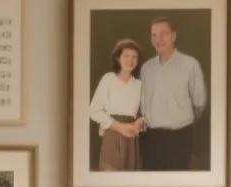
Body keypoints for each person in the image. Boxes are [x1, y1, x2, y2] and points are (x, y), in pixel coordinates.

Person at [138, 16, 207, 172]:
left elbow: (199, 103)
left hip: (180, 138)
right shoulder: (146, 68)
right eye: (154, 35)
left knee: (176, 183)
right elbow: (144, 104)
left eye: (163, 34)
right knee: (151, 183)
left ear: (173, 36)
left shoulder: (190, 64)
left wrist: (180, 118)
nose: (158, 39)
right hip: (151, 139)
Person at [87, 38, 145, 172]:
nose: (130, 60)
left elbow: (146, 113)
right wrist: (120, 127)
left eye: (134, 57)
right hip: (112, 136)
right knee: (111, 178)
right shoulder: (108, 79)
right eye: (126, 56)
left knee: (131, 180)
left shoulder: (139, 85)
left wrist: (140, 123)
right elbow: (94, 110)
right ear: (118, 58)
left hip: (131, 138)